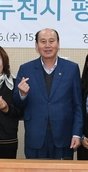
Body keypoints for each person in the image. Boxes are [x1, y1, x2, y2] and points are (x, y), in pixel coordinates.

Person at [13, 28, 83, 159]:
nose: (47, 45)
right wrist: (22, 94)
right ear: (36, 45)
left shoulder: (72, 68)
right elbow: (17, 103)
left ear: (58, 44)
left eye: (51, 41)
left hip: (64, 135)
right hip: (35, 135)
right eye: (43, 41)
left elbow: (77, 104)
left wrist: (77, 133)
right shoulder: (26, 69)